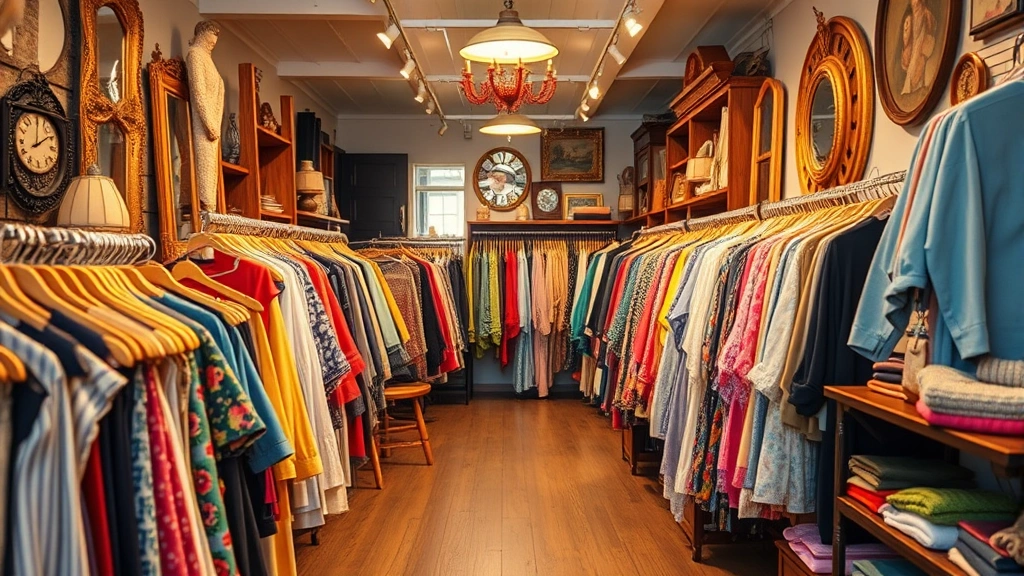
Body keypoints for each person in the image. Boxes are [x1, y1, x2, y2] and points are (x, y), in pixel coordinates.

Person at [899, 0, 937, 96]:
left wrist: (923, 55)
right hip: (914, 52)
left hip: (921, 51)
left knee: (918, 73)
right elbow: (907, 39)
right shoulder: (910, 18)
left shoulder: (927, 15)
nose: (915, 4)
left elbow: (930, 33)